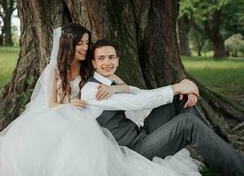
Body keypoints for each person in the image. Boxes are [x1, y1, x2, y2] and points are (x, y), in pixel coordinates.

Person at [0, 24, 198, 176]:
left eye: (87, 43)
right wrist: (68, 105)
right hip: (64, 112)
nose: (85, 47)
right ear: (69, 44)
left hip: (90, 113)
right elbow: (51, 103)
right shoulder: (57, 69)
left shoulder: (90, 67)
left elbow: (124, 87)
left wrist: (115, 90)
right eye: (80, 43)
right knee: (66, 135)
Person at [81, 39, 244, 176]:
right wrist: (178, 86)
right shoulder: (90, 90)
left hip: (142, 133)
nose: (107, 62)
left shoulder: (113, 83)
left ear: (118, 60)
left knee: (177, 100)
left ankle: (216, 155)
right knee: (187, 123)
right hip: (134, 150)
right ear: (94, 63)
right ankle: (239, 169)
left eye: (111, 57)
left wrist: (187, 90)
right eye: (101, 58)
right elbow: (137, 103)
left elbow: (140, 94)